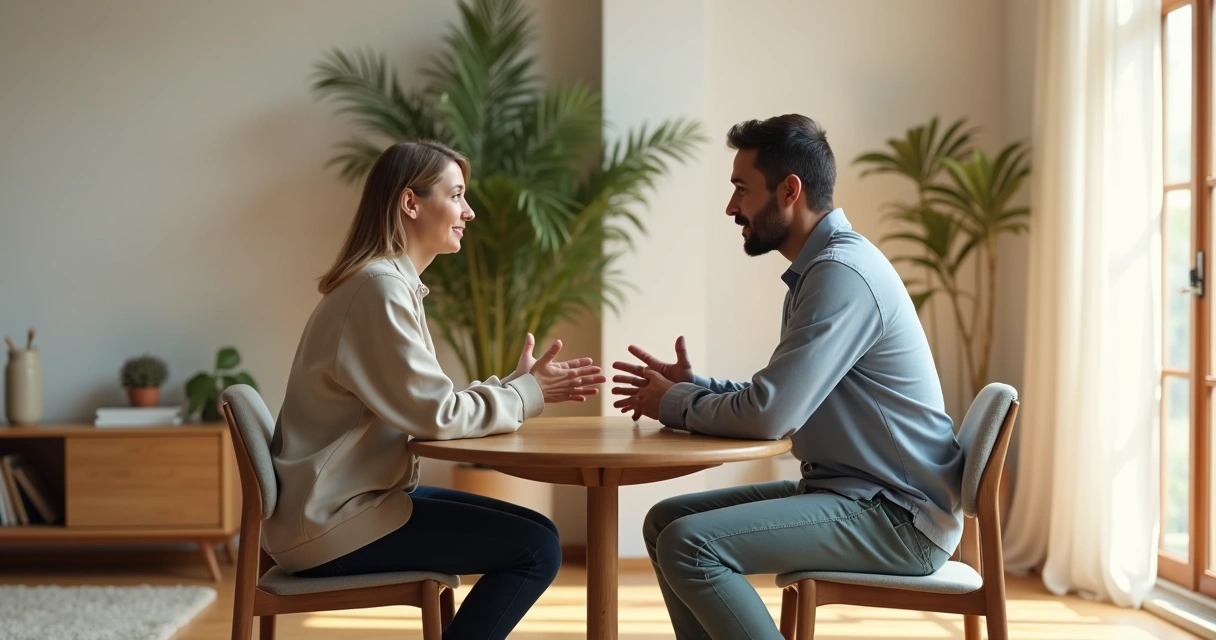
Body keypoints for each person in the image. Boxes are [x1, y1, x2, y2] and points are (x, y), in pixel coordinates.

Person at [611, 114, 965, 639]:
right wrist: (695, 387)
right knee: (664, 523)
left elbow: (771, 415)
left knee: (691, 544)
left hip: (896, 519)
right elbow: (781, 397)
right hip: (854, 495)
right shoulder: (821, 269)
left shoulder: (841, 275)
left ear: (789, 190)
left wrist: (674, 402)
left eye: (741, 189)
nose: (732, 207)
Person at [267, 140, 605, 640]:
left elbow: (422, 401)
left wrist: (518, 386)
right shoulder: (378, 290)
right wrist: (524, 395)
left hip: (346, 505)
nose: (468, 211)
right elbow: (437, 416)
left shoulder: (387, 284)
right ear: (411, 203)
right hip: (333, 524)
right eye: (458, 195)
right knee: (538, 550)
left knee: (542, 534)